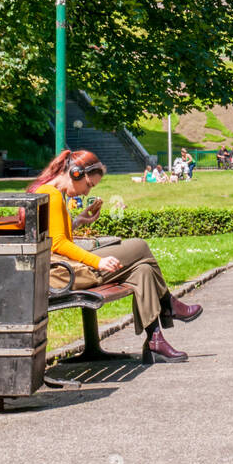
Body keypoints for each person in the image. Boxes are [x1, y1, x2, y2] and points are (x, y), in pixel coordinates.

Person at [28, 149, 202, 362]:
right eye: (89, 185)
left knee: (143, 270)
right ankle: (168, 304)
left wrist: (80, 220)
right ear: (75, 173)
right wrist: (98, 261)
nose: (86, 192)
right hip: (64, 275)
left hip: (63, 270)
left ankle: (155, 342)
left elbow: (56, 237)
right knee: (139, 246)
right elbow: (58, 243)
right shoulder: (52, 194)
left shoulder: (51, 192)